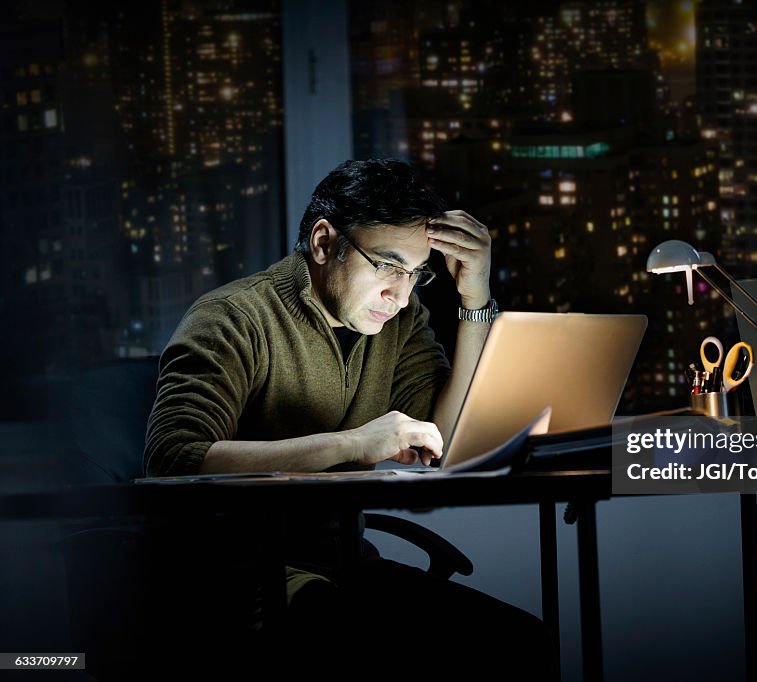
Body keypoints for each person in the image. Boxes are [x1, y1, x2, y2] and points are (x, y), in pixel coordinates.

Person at [143, 159, 555, 680]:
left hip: (344, 564)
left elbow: (443, 439)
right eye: (386, 265)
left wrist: (474, 301)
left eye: (414, 273)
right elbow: (172, 460)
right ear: (323, 243)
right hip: (236, 578)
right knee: (372, 650)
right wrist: (352, 444)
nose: (401, 294)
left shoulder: (401, 320)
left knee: (521, 643)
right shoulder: (232, 318)